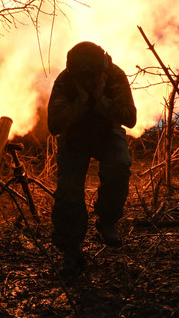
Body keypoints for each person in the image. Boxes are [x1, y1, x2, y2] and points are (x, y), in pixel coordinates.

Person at [47, 41, 137, 277]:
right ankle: (71, 248)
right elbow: (54, 125)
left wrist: (99, 99)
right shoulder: (65, 81)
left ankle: (107, 219)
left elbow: (129, 118)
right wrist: (81, 102)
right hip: (75, 137)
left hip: (107, 133)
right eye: (81, 76)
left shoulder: (115, 76)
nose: (86, 80)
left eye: (91, 76)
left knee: (119, 166)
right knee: (68, 190)